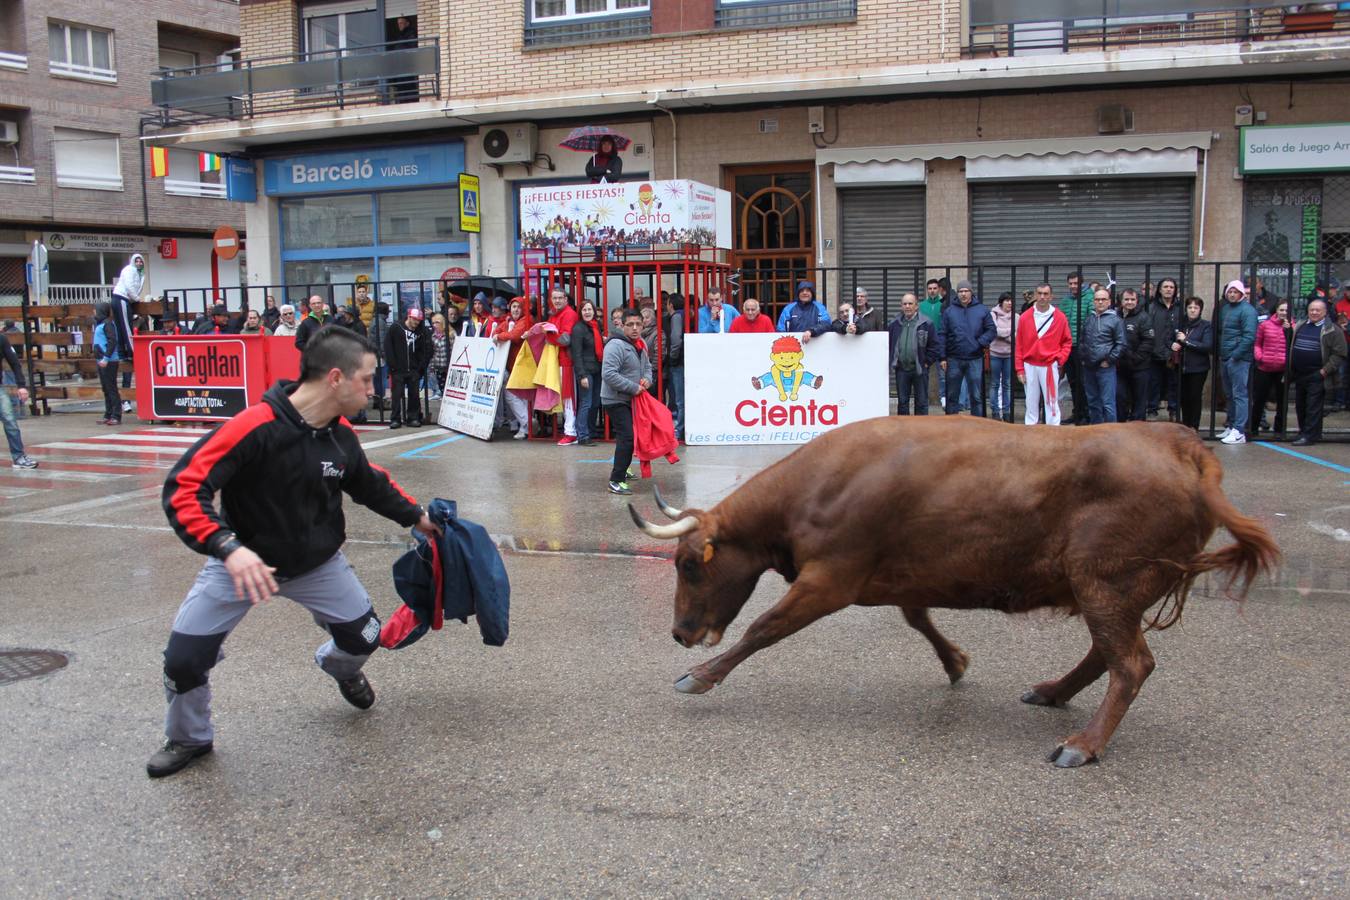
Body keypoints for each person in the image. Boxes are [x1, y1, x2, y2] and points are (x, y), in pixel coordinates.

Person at [149, 326, 440, 778]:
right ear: (336, 379)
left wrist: (417, 517)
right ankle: (189, 737)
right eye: (367, 379)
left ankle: (339, 669)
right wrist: (228, 548)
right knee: (183, 661)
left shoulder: (340, 435)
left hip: (317, 565)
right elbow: (184, 488)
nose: (373, 388)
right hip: (240, 565)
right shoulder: (254, 427)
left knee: (364, 638)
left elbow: (368, 483)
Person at [601, 309, 651, 496]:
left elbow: (648, 367)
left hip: (631, 399)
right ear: (622, 325)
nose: (635, 328)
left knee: (629, 437)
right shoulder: (615, 346)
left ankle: (623, 469)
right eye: (630, 324)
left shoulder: (641, 343)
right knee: (627, 437)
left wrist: (647, 379)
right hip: (615, 400)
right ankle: (616, 480)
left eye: (638, 324)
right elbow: (608, 374)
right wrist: (633, 387)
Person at [1290, 298, 1347, 446]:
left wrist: (1324, 371)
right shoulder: (1301, 325)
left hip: (1318, 374)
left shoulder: (1333, 330)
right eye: (1311, 310)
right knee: (1300, 405)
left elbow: (1339, 353)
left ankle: (1309, 435)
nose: (1314, 312)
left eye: (1318, 310)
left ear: (1325, 312)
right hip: (1300, 373)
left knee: (1313, 406)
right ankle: (1304, 431)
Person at [1015, 283, 1074, 427]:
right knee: (1030, 401)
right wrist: (1019, 369)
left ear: (1051, 296)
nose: (1042, 297)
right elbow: (1019, 345)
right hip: (1029, 365)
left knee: (1052, 402)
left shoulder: (1059, 317)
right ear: (1035, 295)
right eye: (1039, 293)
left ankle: (1053, 431)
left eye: (1046, 294)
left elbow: (1067, 341)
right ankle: (1030, 431)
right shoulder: (1025, 317)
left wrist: (1060, 359)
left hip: (1049, 365)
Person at [940, 280, 995, 417]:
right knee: (952, 396)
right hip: (954, 359)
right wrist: (942, 357)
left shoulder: (982, 310)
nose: (963, 294)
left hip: (975, 358)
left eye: (966, 291)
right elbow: (942, 334)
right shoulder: (949, 311)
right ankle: (952, 427)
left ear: (971, 292)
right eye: (960, 291)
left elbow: (991, 330)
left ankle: (978, 427)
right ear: (957, 293)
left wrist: (979, 343)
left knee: (976, 397)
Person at [1217, 280, 1258, 445]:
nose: (1232, 294)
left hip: (1238, 359)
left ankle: (1239, 430)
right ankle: (1232, 425)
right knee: (1229, 394)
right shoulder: (1226, 308)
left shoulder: (1248, 311)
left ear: (1242, 293)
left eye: (1235, 292)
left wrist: (1235, 355)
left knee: (1239, 394)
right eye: (1230, 292)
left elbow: (1249, 336)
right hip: (1226, 357)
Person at [887, 292, 939, 416]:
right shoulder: (894, 324)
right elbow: (889, 344)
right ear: (901, 306)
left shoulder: (926, 323)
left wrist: (927, 362)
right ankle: (904, 430)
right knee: (903, 402)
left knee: (921, 403)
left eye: (910, 303)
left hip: (920, 369)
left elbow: (935, 345)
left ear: (916, 306)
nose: (907, 306)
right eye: (904, 304)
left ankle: (921, 430)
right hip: (902, 369)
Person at [1080, 288, 1124, 425]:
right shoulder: (1089, 319)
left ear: (1109, 301)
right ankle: (1095, 431)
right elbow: (1082, 340)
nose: (1100, 302)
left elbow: (1121, 344)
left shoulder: (1116, 320)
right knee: (1092, 402)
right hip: (1089, 368)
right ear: (1093, 301)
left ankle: (1111, 435)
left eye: (1103, 299)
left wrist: (1109, 360)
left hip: (1105, 368)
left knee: (1108, 403)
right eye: (1097, 299)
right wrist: (1082, 358)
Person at [544, 288, 581, 445]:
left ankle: (571, 432)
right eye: (555, 298)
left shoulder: (569, 314)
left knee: (568, 397)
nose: (557, 300)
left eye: (560, 298)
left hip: (567, 361)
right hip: (559, 360)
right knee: (564, 397)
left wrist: (549, 336)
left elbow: (565, 340)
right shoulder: (555, 314)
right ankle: (569, 430)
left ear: (566, 299)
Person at [1250, 300, 1292, 439]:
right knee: (1259, 399)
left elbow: (1292, 345)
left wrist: (1289, 331)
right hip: (1264, 367)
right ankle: (1253, 428)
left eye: (1286, 310)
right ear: (1276, 311)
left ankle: (1279, 429)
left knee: (1282, 400)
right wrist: (1259, 356)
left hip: (1282, 369)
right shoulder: (1265, 325)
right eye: (1281, 310)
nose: (1283, 313)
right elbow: (1257, 343)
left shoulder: (1293, 326)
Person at [492, 298, 533, 439]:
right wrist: (499, 334)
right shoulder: (511, 321)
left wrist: (499, 336)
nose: (515, 309)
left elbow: (515, 336)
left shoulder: (526, 320)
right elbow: (495, 332)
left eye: (518, 307)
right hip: (516, 365)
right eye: (513, 306)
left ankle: (527, 424)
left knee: (513, 394)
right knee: (519, 396)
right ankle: (525, 426)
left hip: (524, 364)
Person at [385, 306, 431, 429]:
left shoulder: (421, 331)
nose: (416, 323)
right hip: (398, 369)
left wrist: (421, 367)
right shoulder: (396, 327)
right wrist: (392, 365)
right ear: (409, 317)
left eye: (419, 320)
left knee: (414, 395)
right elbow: (388, 347)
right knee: (396, 395)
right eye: (415, 319)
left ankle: (413, 417)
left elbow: (426, 349)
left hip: (414, 368)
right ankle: (395, 418)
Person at [1172, 297, 1213, 432]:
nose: (1192, 310)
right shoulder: (1181, 324)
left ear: (1200, 310)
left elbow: (1207, 346)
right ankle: (1185, 425)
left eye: (1196, 308)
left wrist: (1186, 341)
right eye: (1190, 307)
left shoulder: (1205, 325)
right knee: (1183, 397)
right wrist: (1173, 344)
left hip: (1198, 368)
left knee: (1195, 397)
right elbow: (1170, 338)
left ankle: (1194, 426)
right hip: (1181, 367)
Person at [1146, 278, 1182, 421]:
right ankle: (1152, 410)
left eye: (1171, 287)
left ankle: (1173, 410)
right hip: (1155, 353)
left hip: (1173, 354)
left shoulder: (1179, 309)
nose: (1168, 289)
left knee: (1173, 384)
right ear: (1159, 290)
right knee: (1153, 384)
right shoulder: (1151, 308)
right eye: (1165, 286)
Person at [1116, 289, 1154, 423]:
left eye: (1132, 299)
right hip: (1119, 367)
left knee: (1139, 401)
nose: (1129, 302)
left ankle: (1138, 430)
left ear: (1137, 301)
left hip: (1140, 367)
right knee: (1120, 398)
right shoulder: (1115, 316)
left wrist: (1135, 358)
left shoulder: (1144, 317)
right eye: (1126, 299)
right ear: (1121, 301)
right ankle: (1120, 428)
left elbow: (1148, 341)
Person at [1060, 272, 1092, 425]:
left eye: (1076, 283)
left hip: (1083, 346)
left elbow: (1091, 321)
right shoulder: (1065, 300)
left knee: (1083, 382)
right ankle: (1077, 412)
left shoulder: (1090, 297)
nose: (1073, 286)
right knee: (1072, 382)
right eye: (1070, 283)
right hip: (1067, 346)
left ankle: (1086, 414)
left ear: (1082, 283)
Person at [0, 330, 36, 468]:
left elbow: (15, 363)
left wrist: (21, 386)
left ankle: (19, 457)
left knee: (10, 421)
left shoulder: (2, 339)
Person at [571, 300, 604, 446]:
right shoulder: (578, 329)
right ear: (580, 312)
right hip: (586, 371)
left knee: (596, 402)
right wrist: (581, 375)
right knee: (586, 403)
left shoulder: (596, 326)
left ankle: (591, 431)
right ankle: (583, 435)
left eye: (589, 309)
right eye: (584, 310)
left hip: (597, 370)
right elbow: (576, 354)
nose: (587, 312)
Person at [91, 301, 123, 426]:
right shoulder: (101, 324)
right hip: (102, 361)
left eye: (95, 310)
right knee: (106, 388)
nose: (94, 312)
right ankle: (108, 414)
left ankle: (116, 415)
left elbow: (112, 341)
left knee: (111, 388)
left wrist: (106, 357)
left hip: (109, 361)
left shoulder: (108, 324)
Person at [110, 253, 146, 361]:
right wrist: (136, 298)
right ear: (133, 262)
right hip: (122, 298)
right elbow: (130, 287)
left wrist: (134, 297)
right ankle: (132, 352)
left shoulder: (139, 274)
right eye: (137, 261)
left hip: (120, 298)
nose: (139, 263)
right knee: (126, 327)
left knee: (120, 327)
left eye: (141, 261)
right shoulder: (130, 270)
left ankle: (122, 354)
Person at [661, 293, 685, 441]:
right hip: (684, 360)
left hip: (678, 362)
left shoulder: (676, 317)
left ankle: (680, 429)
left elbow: (676, 339)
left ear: (670, 304)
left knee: (679, 399)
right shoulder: (686, 314)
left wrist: (672, 357)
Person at [920, 279, 947, 409]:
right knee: (923, 372)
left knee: (942, 373)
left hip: (939, 343)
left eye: (935, 288)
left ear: (939, 289)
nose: (932, 291)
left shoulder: (943, 304)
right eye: (930, 288)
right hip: (924, 343)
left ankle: (943, 398)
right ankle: (923, 398)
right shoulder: (920, 305)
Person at [988, 293, 1014, 421]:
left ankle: (1007, 411)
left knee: (1007, 384)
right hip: (995, 354)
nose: (1009, 303)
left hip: (1009, 354)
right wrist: (1010, 331)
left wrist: (1002, 334)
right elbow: (994, 331)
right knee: (994, 383)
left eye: (1011, 301)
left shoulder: (1017, 317)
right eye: (1007, 300)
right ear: (1001, 302)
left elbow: (1017, 336)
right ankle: (995, 411)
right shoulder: (994, 314)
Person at [428, 313, 449, 400]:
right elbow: (433, 353)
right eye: (433, 323)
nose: (435, 325)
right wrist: (432, 366)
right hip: (438, 365)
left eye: (437, 322)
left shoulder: (449, 334)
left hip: (447, 365)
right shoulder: (433, 336)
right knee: (441, 385)